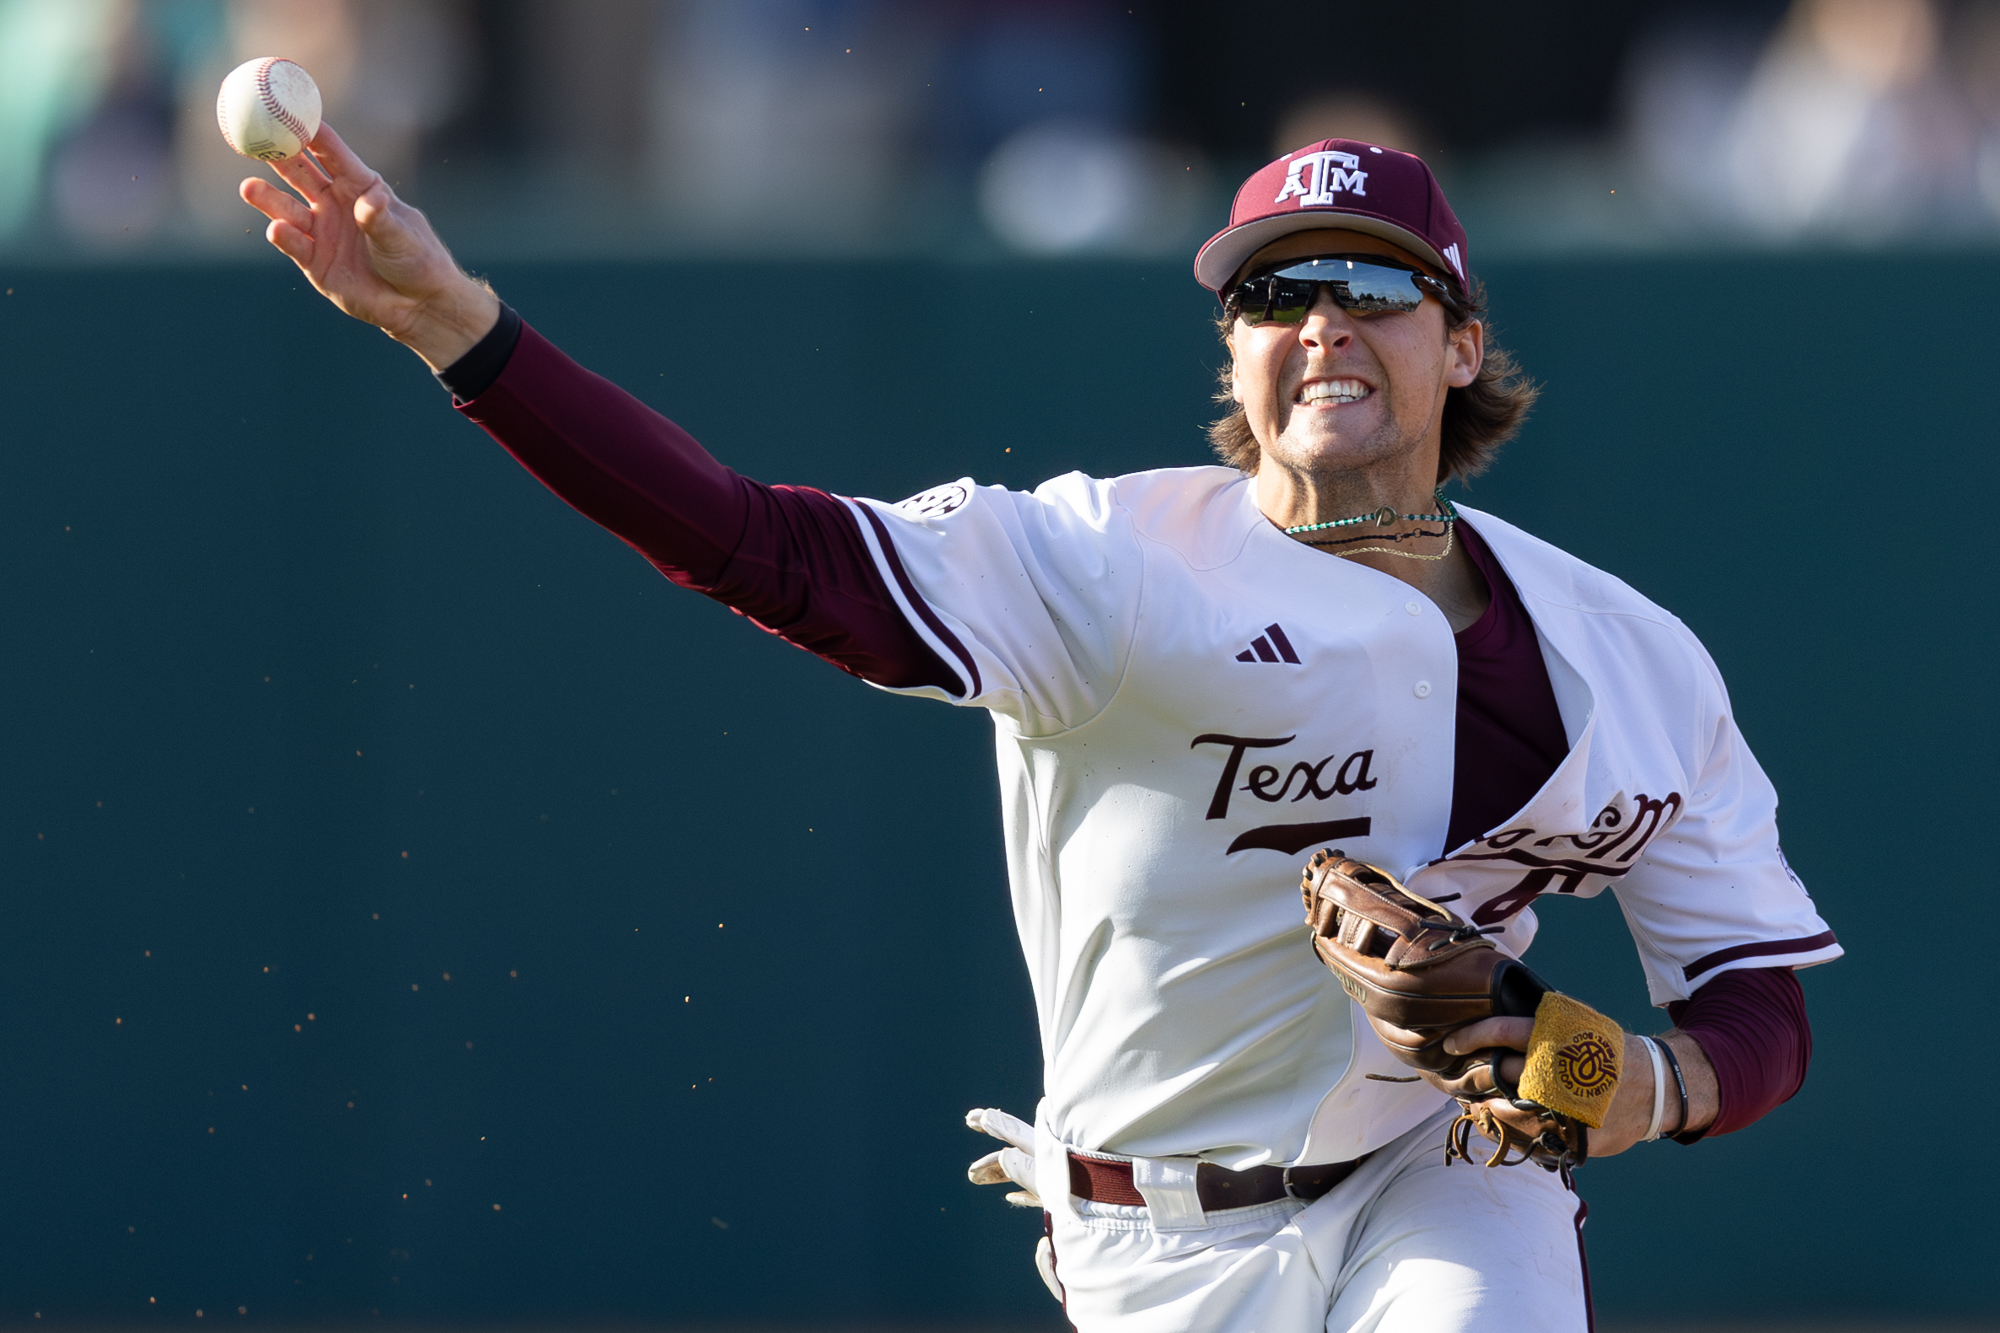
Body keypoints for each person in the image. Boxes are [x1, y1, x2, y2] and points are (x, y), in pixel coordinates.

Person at [240, 129, 1837, 1332]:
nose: (1322, 323)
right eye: (1276, 292)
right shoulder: (1109, 564)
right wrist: (467, 337)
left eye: (1374, 287)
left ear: (1464, 346)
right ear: (1233, 349)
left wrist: (1652, 1081)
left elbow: (1755, 998)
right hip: (1157, 1231)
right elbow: (762, 547)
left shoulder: (1631, 658)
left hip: (1445, 1174)